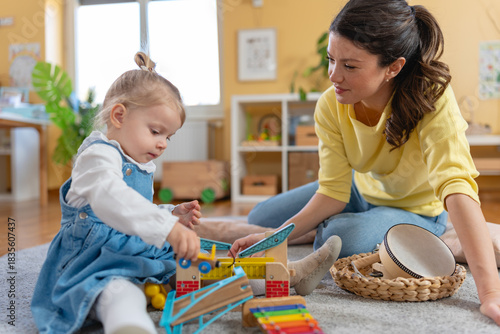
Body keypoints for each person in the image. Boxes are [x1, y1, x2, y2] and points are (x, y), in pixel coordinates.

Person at [230, 0, 500, 325]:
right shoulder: (332, 105)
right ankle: (334, 226)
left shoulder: (433, 100)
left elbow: (457, 188)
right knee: (262, 217)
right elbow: (333, 193)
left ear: (393, 67)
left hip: (416, 208)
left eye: (350, 66)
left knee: (343, 242)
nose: (333, 75)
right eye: (331, 59)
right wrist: (275, 236)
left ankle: (432, 236)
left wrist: (491, 294)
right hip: (360, 191)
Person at [31, 52, 202, 334]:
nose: (163, 145)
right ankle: (131, 326)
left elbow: (136, 207)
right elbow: (113, 199)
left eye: (168, 137)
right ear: (119, 115)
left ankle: (271, 278)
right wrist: (165, 227)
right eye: (156, 131)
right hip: (95, 259)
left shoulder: (139, 163)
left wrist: (169, 213)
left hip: (130, 248)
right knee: (118, 292)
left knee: (194, 260)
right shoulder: (96, 157)